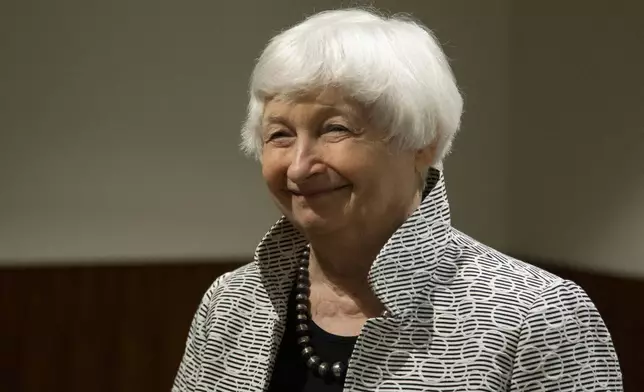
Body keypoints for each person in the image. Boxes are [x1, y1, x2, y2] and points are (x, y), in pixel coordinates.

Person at [172, 8, 622, 392]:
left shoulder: (537, 315)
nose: (298, 166)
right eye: (280, 136)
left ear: (422, 141)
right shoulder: (232, 301)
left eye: (335, 129)